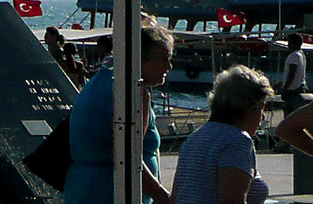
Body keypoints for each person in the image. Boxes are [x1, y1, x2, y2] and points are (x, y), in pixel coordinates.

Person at [64, 16, 174, 204]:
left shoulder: (100, 80)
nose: (168, 67)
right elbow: (130, 157)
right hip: (113, 192)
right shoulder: (133, 90)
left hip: (82, 188)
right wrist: (162, 196)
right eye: (164, 59)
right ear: (141, 57)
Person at [171, 65, 273, 204]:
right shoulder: (238, 141)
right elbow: (231, 200)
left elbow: (176, 197)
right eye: (261, 109)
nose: (262, 118)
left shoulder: (195, 138)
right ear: (247, 108)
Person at [282, 33, 307, 107]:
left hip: (293, 89)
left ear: (295, 44)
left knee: (289, 112)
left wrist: (285, 88)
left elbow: (292, 73)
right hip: (299, 86)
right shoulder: (301, 54)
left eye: (290, 42)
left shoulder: (294, 55)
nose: (288, 45)